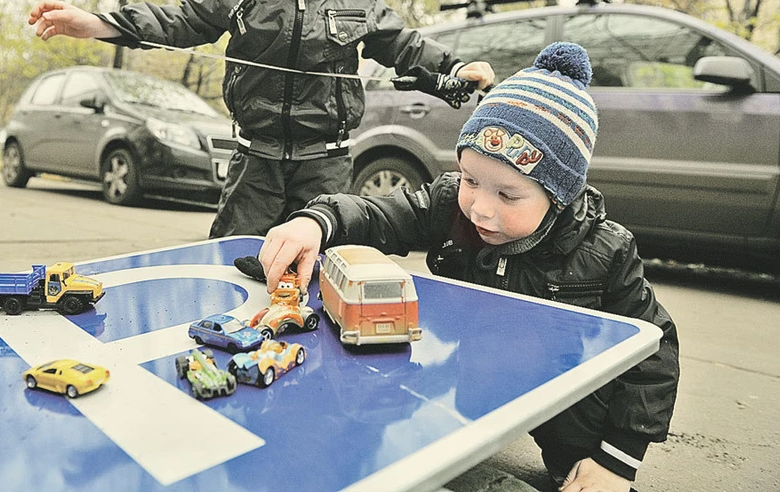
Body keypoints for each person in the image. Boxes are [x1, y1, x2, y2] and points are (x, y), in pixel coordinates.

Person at [258, 42, 680, 492]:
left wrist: (615, 460)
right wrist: (317, 220)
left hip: (563, 398)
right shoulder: (451, 207)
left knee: (579, 458)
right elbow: (381, 215)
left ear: (559, 194)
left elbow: (656, 350)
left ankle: (581, 459)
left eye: (508, 195)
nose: (479, 208)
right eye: (471, 180)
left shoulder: (606, 251)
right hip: (472, 376)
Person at [26, 0, 494, 238]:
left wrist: (457, 68)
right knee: (236, 262)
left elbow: (403, 46)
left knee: (320, 269)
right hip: (254, 164)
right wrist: (98, 24)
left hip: (326, 166)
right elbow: (180, 22)